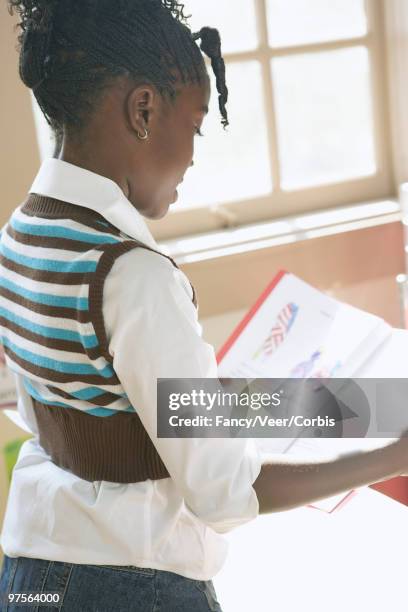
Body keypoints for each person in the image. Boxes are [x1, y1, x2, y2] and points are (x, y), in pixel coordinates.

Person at [0, 1, 407, 610]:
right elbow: (224, 492)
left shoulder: (20, 237)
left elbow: (83, 416)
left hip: (33, 577)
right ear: (143, 109)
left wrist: (366, 405)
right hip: (133, 587)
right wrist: (393, 454)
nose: (193, 156)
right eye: (193, 127)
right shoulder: (133, 274)